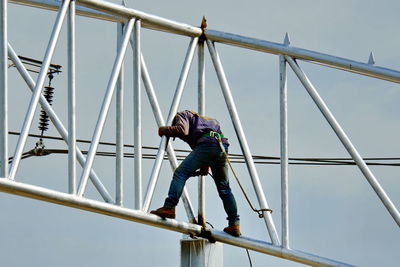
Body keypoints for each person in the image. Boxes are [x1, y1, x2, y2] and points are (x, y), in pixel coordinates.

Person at [150, 110, 241, 237]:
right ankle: (234, 224)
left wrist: (164, 130)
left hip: (207, 145)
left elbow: (182, 130)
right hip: (221, 146)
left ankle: (169, 207)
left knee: (180, 173)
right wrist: (205, 164)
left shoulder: (181, 115)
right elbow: (208, 138)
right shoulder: (207, 120)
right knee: (225, 189)